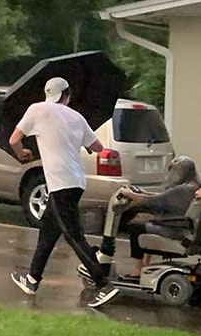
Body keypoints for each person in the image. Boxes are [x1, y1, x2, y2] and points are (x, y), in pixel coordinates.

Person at [8, 77, 119, 308]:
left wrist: (23, 153)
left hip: (60, 182)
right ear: (66, 94)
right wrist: (81, 142)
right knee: (48, 232)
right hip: (77, 181)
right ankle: (32, 279)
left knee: (72, 234)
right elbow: (97, 147)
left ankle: (103, 283)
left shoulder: (37, 109)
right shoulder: (76, 117)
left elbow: (14, 139)